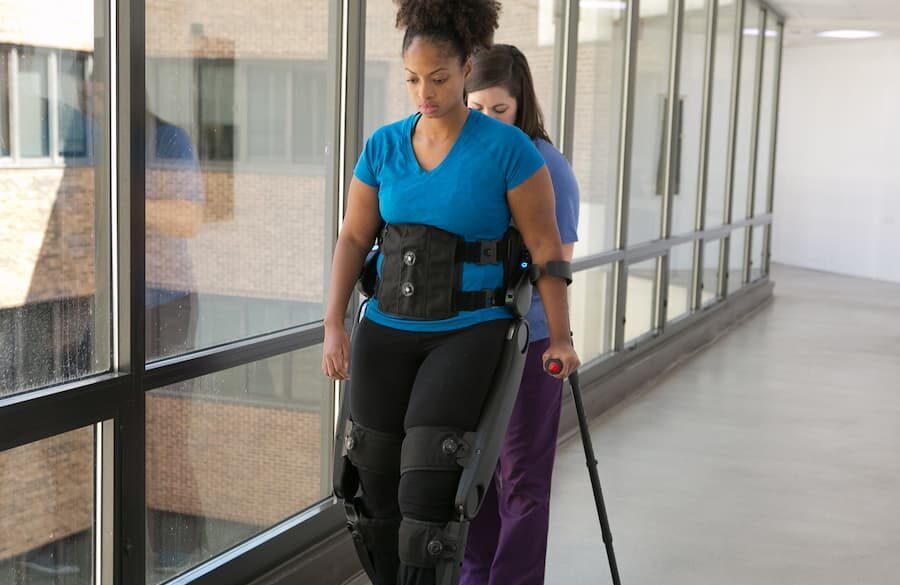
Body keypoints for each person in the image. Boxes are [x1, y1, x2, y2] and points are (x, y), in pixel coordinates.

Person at [321, 1, 580, 584]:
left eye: (438, 78)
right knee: (373, 490)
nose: (425, 93)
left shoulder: (510, 151)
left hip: (468, 335)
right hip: (386, 329)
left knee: (428, 491)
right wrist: (333, 322)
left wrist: (560, 337)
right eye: (413, 79)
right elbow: (353, 238)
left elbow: (546, 250)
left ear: (466, 68)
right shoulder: (383, 146)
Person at [460, 45, 580, 585]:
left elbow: (557, 263)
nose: (487, 120)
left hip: (530, 345)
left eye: (499, 109)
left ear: (522, 104)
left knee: (523, 483)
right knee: (475, 476)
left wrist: (559, 339)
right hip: (471, 341)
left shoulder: (548, 166)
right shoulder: (465, 158)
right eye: (476, 108)